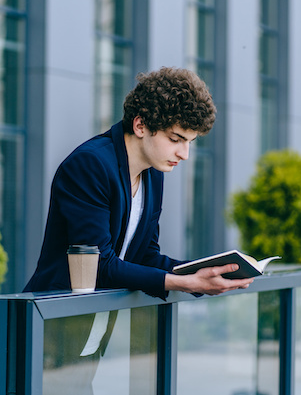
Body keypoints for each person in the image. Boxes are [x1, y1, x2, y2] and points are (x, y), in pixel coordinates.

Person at [23, 67, 253, 299]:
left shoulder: (153, 173)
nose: (184, 154)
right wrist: (183, 283)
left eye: (190, 142)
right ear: (140, 125)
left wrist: (205, 272)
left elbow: (145, 257)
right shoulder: (90, 165)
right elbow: (99, 265)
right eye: (175, 139)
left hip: (102, 315)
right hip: (53, 314)